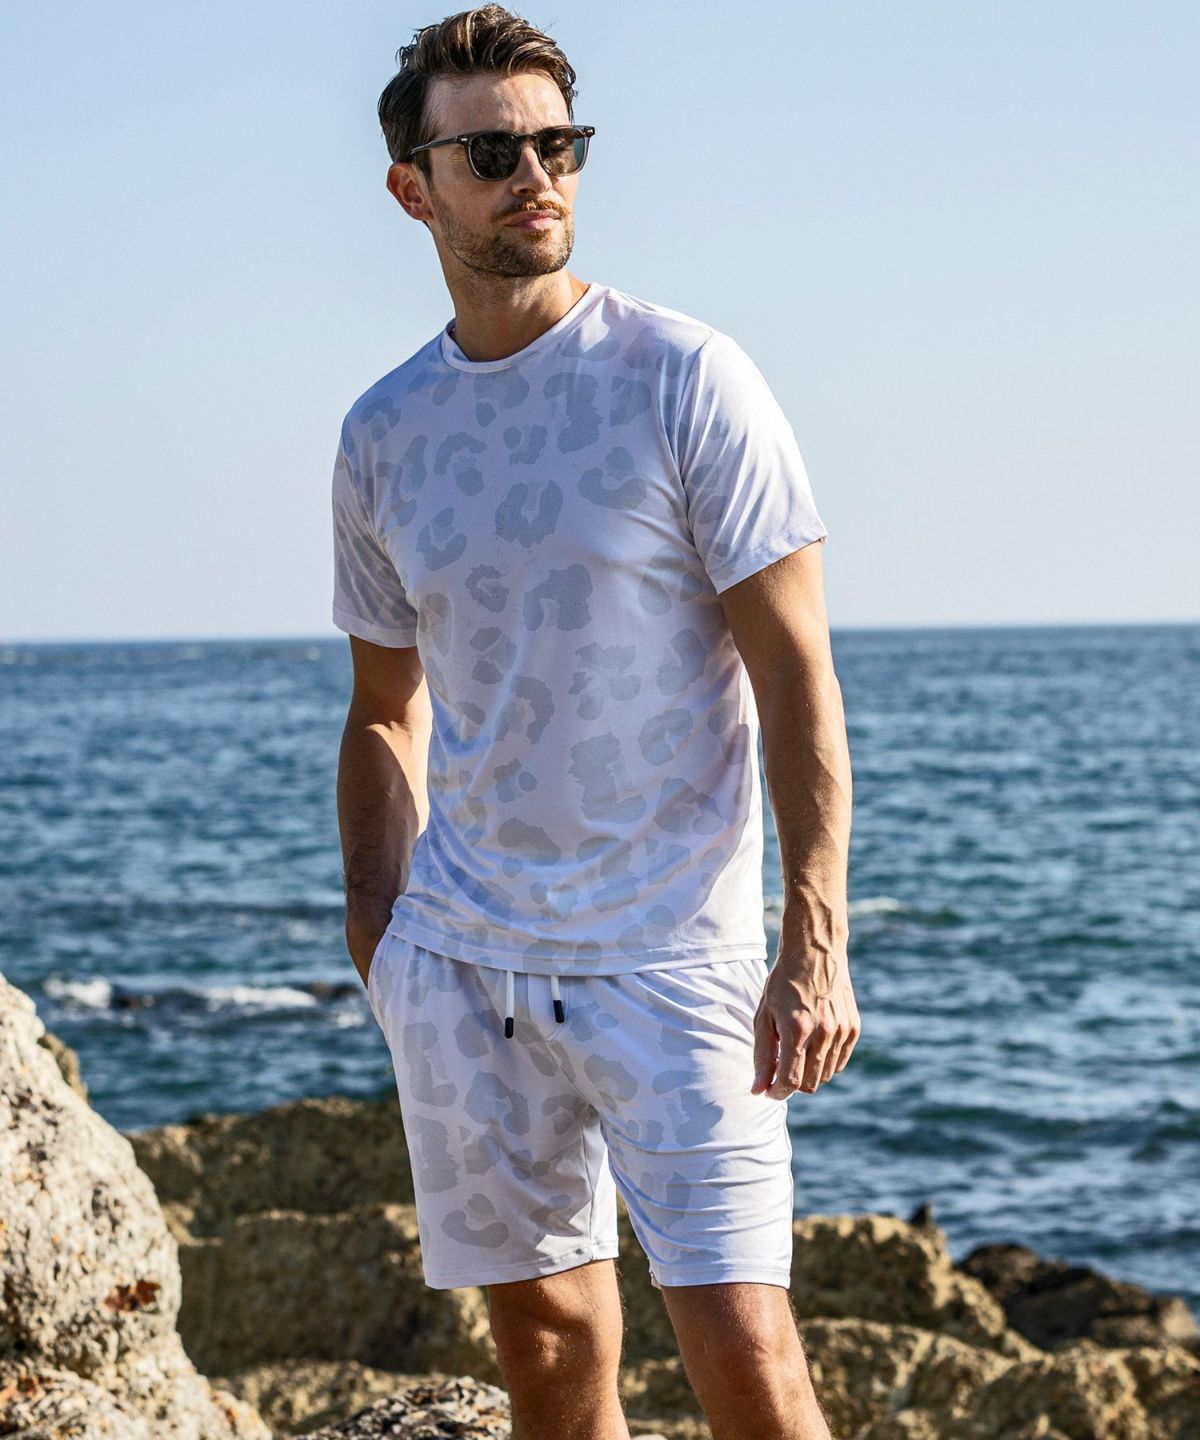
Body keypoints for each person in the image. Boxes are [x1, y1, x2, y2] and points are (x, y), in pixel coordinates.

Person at [330, 7, 859, 1437]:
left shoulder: (685, 377)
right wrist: (383, 932)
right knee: (550, 1349)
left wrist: (813, 942)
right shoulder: (383, 432)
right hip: (466, 962)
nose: (535, 175)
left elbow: (796, 672)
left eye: (558, 145)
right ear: (414, 189)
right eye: (493, 152)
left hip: (675, 955)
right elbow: (385, 707)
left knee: (748, 1357)